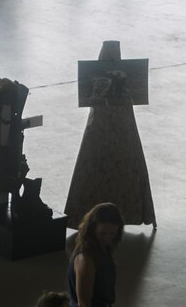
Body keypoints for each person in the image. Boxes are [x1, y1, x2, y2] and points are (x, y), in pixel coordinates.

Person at [64, 41, 156, 230]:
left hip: (105, 126)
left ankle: (83, 216)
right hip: (121, 127)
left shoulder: (104, 85)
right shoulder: (119, 88)